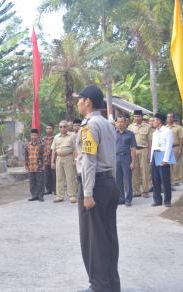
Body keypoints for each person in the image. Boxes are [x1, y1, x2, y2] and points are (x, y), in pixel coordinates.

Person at [75, 85, 120, 292]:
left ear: (88, 102)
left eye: (80, 99)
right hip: (108, 182)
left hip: (95, 186)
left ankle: (99, 286)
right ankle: (111, 284)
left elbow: (89, 161)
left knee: (93, 239)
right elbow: (112, 156)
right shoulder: (108, 124)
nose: (77, 103)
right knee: (108, 237)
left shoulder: (90, 126)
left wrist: (87, 193)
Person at [151, 113, 173, 208]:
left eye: (154, 120)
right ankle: (157, 200)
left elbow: (169, 146)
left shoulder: (167, 131)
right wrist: (151, 158)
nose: (152, 122)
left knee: (165, 180)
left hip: (163, 155)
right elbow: (153, 146)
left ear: (159, 121)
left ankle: (167, 200)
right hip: (155, 156)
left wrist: (166, 159)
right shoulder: (155, 132)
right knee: (155, 180)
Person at [51, 120, 77, 203]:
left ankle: (72, 195)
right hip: (59, 158)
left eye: (64, 126)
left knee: (70, 177)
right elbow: (53, 150)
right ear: (58, 128)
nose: (62, 128)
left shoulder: (72, 136)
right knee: (59, 178)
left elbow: (76, 149)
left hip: (69, 157)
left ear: (67, 127)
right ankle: (60, 196)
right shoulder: (56, 137)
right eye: (60, 127)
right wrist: (52, 162)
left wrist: (75, 159)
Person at [128, 110, 152, 198]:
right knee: (134, 171)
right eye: (135, 117)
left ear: (142, 117)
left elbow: (150, 142)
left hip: (144, 150)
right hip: (134, 151)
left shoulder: (148, 127)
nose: (136, 118)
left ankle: (145, 191)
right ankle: (136, 191)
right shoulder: (130, 127)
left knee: (145, 171)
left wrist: (149, 154)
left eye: (138, 116)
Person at [115, 116, 137, 206]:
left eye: (122, 122)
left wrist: (133, 162)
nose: (120, 123)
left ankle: (128, 199)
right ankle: (121, 198)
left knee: (127, 179)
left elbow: (133, 148)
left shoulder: (130, 134)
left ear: (125, 123)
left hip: (126, 158)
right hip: (116, 158)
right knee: (118, 180)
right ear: (116, 123)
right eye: (118, 122)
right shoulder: (113, 133)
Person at [25, 128, 45, 202]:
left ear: (37, 136)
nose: (33, 136)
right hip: (30, 166)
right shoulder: (27, 145)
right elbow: (26, 155)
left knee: (40, 182)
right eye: (32, 135)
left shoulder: (41, 145)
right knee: (32, 182)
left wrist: (43, 165)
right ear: (30, 136)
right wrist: (26, 164)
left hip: (39, 166)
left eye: (35, 135)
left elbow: (44, 155)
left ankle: (40, 196)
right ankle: (34, 195)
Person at [166, 113, 183, 185]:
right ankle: (170, 180)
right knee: (168, 165)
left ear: (173, 118)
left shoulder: (178, 127)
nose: (169, 118)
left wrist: (180, 149)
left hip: (175, 147)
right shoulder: (165, 128)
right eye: (168, 117)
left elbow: (181, 139)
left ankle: (176, 180)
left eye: (171, 117)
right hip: (167, 148)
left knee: (175, 165)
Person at [42, 123, 56, 195]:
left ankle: (55, 189)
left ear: (53, 130)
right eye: (47, 128)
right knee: (46, 176)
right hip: (45, 160)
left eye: (50, 128)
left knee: (54, 175)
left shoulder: (55, 138)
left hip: (53, 160)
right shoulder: (43, 139)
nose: (48, 130)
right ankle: (48, 189)